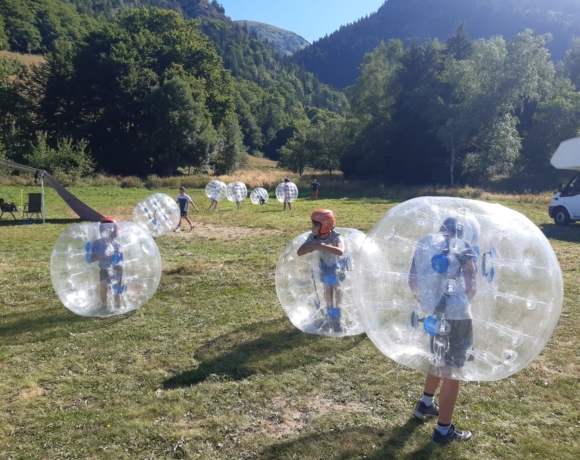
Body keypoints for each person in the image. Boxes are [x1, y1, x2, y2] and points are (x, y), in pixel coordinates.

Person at [408, 217, 477, 445]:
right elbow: (472, 284)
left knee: (439, 357)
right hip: (456, 316)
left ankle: (426, 404)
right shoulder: (463, 247)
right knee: (453, 370)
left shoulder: (424, 244)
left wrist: (427, 305)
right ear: (461, 232)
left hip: (434, 314)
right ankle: (443, 430)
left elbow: (413, 280)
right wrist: (460, 304)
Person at [297, 209, 345, 333]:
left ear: (325, 226)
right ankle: (330, 313)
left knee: (338, 289)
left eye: (315, 225)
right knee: (327, 289)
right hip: (324, 266)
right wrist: (310, 246)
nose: (312, 228)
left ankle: (338, 313)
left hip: (337, 266)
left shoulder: (336, 236)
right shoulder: (313, 237)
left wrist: (320, 246)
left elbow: (340, 251)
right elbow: (299, 252)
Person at [86, 217, 124, 313]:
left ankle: (119, 305)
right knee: (103, 286)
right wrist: (104, 254)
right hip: (104, 268)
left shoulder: (117, 244)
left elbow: (120, 256)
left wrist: (113, 252)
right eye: (106, 227)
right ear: (101, 229)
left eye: (110, 227)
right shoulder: (97, 243)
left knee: (115, 286)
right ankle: (104, 305)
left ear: (115, 229)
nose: (108, 229)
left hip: (116, 268)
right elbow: (91, 259)